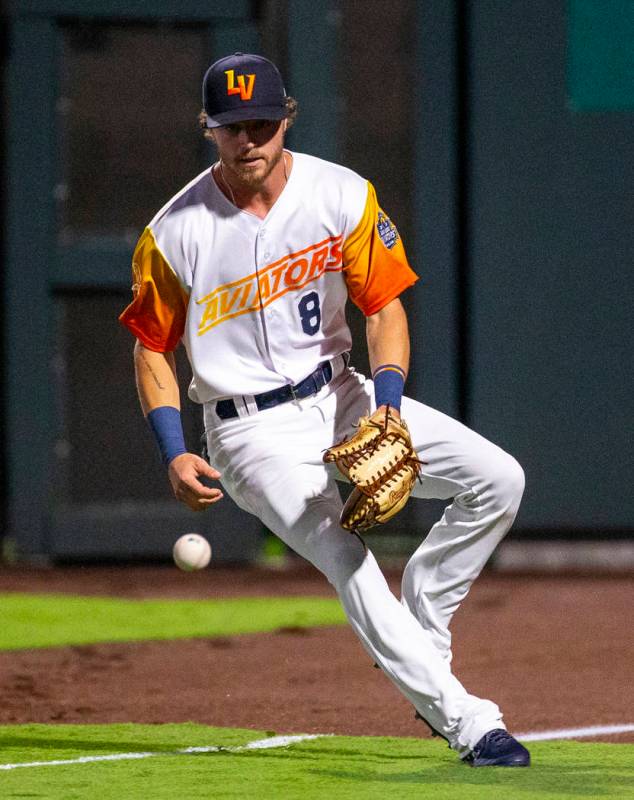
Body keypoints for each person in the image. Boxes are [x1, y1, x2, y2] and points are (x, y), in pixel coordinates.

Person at [119, 52, 530, 767]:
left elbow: (385, 309)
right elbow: (152, 349)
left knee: (498, 480)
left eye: (261, 122)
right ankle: (467, 721)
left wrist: (391, 410)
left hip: (341, 393)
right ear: (208, 130)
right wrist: (172, 449)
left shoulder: (340, 194)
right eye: (230, 126)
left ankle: (421, 631)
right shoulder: (174, 231)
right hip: (248, 431)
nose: (248, 139)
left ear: (286, 119)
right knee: (344, 552)